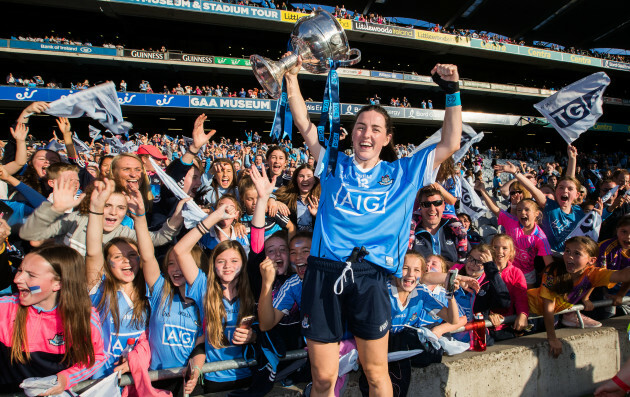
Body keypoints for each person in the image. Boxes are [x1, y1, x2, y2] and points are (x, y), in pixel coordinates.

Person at [283, 52, 462, 396]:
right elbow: (305, 124)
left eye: (375, 129)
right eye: (361, 127)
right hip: (323, 274)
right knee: (322, 378)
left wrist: (452, 90)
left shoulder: (404, 173)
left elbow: (450, 142)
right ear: (352, 134)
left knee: (377, 374)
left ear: (387, 138)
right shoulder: (332, 163)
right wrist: (291, 79)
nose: (366, 134)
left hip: (372, 278)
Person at [0, 245, 106, 394]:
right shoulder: (5, 308)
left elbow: (94, 357)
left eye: (31, 275)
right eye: (19, 270)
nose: (17, 279)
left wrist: (65, 379)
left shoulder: (84, 318)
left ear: (58, 283)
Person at [173, 203, 256, 393]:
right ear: (214, 265)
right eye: (221, 261)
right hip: (213, 378)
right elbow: (180, 251)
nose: (228, 266)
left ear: (243, 264)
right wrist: (216, 216)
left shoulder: (250, 289)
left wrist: (253, 336)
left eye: (234, 261)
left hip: (248, 376)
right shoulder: (204, 286)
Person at [85, 179, 150, 378]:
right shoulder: (99, 288)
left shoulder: (149, 291)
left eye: (132, 256)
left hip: (135, 376)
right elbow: (93, 252)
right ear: (107, 263)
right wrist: (96, 210)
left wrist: (140, 217)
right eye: (117, 257)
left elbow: (148, 254)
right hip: (99, 378)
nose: (126, 261)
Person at [527, 236, 630, 358]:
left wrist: (619, 295)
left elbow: (623, 275)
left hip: (554, 314)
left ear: (591, 261)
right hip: (531, 310)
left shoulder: (592, 273)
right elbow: (547, 307)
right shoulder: (553, 272)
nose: (570, 256)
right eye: (567, 251)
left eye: (577, 253)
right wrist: (552, 338)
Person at [487, 234, 529, 341]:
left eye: (504, 248)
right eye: (495, 247)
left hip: (506, 325)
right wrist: (488, 314)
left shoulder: (516, 273)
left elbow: (521, 298)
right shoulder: (483, 270)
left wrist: (523, 315)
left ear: (511, 252)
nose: (499, 251)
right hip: (486, 325)